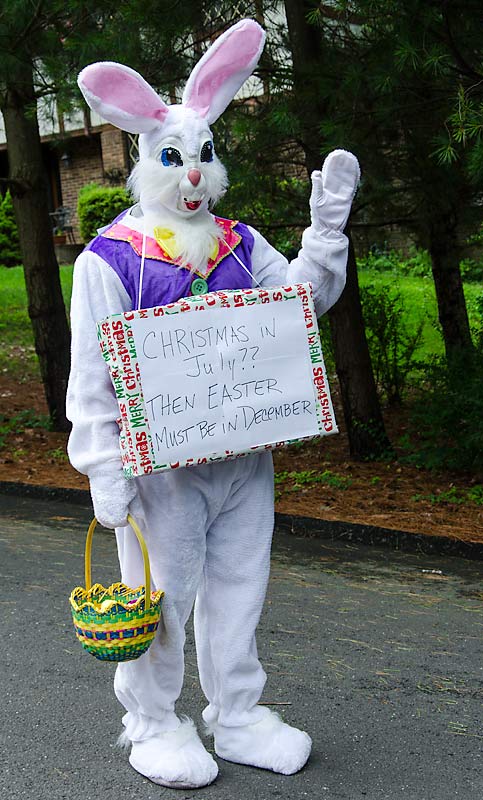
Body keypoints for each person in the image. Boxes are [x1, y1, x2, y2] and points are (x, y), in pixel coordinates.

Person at [67, 18, 359, 790]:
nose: (192, 175)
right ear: (145, 160)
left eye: (203, 157)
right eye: (174, 159)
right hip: (161, 472)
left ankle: (237, 713)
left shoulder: (238, 241)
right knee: (159, 597)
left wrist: (324, 234)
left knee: (240, 584)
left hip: (244, 456)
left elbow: (297, 305)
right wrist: (102, 467)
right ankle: (153, 723)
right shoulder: (111, 259)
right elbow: (92, 372)